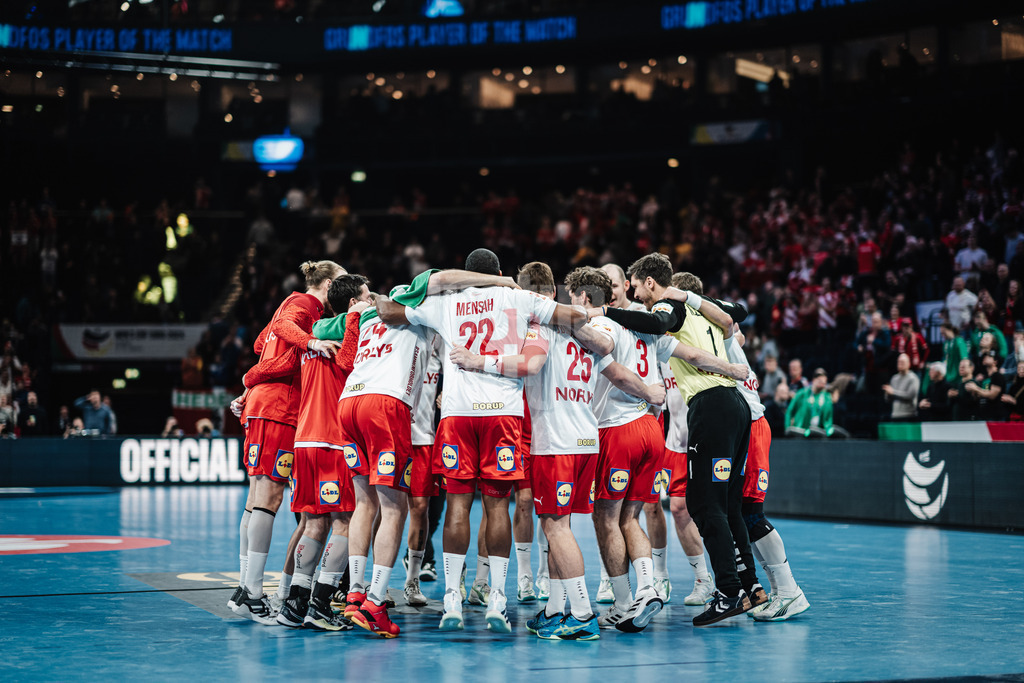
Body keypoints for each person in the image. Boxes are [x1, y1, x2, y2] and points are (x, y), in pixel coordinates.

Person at [375, 248, 582, 634]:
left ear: (463, 274)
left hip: (457, 414)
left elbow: (388, 310)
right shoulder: (518, 296)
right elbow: (575, 316)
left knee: (457, 504)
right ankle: (498, 599)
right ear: (500, 272)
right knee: (496, 507)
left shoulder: (445, 303)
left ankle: (452, 597)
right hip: (502, 413)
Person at [449, 263, 632, 640]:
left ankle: (581, 614)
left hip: (556, 443)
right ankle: (553, 610)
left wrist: (477, 361)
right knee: (559, 526)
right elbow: (608, 351)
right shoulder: (591, 330)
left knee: (554, 527)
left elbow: (530, 364)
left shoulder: (541, 326)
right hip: (587, 439)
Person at [592, 254, 763, 627]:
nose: (635, 295)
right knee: (729, 504)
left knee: (703, 505)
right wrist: (733, 367)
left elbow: (656, 322)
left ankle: (727, 591)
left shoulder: (670, 306)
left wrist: (605, 312)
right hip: (733, 405)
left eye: (636, 286)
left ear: (650, 283)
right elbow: (736, 316)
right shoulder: (708, 311)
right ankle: (752, 586)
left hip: (710, 407)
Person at [229, 260, 346, 624]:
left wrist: (252, 380)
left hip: (264, 405)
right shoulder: (306, 306)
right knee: (269, 499)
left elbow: (261, 341)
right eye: (338, 285)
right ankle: (251, 593)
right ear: (326, 285)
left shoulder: (289, 301)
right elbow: (280, 330)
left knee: (255, 500)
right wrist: (311, 343)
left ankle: (246, 589)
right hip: (279, 408)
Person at [250, 274, 369, 631]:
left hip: (303, 441)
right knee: (346, 522)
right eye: (366, 296)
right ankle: (320, 604)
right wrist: (356, 319)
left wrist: (247, 382)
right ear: (352, 303)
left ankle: (295, 605)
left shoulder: (312, 332)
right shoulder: (349, 330)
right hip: (333, 440)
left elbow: (269, 352)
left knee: (314, 523)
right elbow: (348, 363)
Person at [336, 278, 439, 639]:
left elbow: (322, 326)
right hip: (386, 405)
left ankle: (355, 593)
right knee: (395, 508)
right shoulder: (421, 311)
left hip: (349, 403)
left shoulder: (366, 316)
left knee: (364, 505)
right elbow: (442, 280)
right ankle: (377, 603)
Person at [727, 324, 811, 621]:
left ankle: (790, 592)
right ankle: (780, 592)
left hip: (751, 427)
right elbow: (737, 331)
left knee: (752, 513)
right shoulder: (725, 337)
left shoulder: (717, 334)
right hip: (744, 428)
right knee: (743, 514)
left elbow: (734, 326)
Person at [603, 261, 672, 605]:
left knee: (607, 518)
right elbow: (685, 351)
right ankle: (648, 587)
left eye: (614, 284)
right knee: (629, 517)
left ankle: (620, 600)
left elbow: (613, 372)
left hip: (619, 428)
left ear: (626, 286)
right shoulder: (645, 325)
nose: (610, 291)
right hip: (650, 428)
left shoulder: (604, 324)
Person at [785, 368, 835, 437]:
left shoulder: (827, 398)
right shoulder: (802, 393)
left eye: (824, 382)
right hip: (800, 431)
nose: (822, 383)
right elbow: (789, 411)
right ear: (814, 380)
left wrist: (828, 431)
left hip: (819, 433)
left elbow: (829, 418)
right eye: (820, 380)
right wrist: (788, 429)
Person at [883, 353, 921, 421]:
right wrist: (887, 393)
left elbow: (910, 396)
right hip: (895, 414)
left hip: (909, 415)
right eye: (899, 362)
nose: (900, 364)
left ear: (909, 364)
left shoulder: (913, 378)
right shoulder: (894, 378)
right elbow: (889, 399)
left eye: (902, 362)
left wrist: (893, 392)